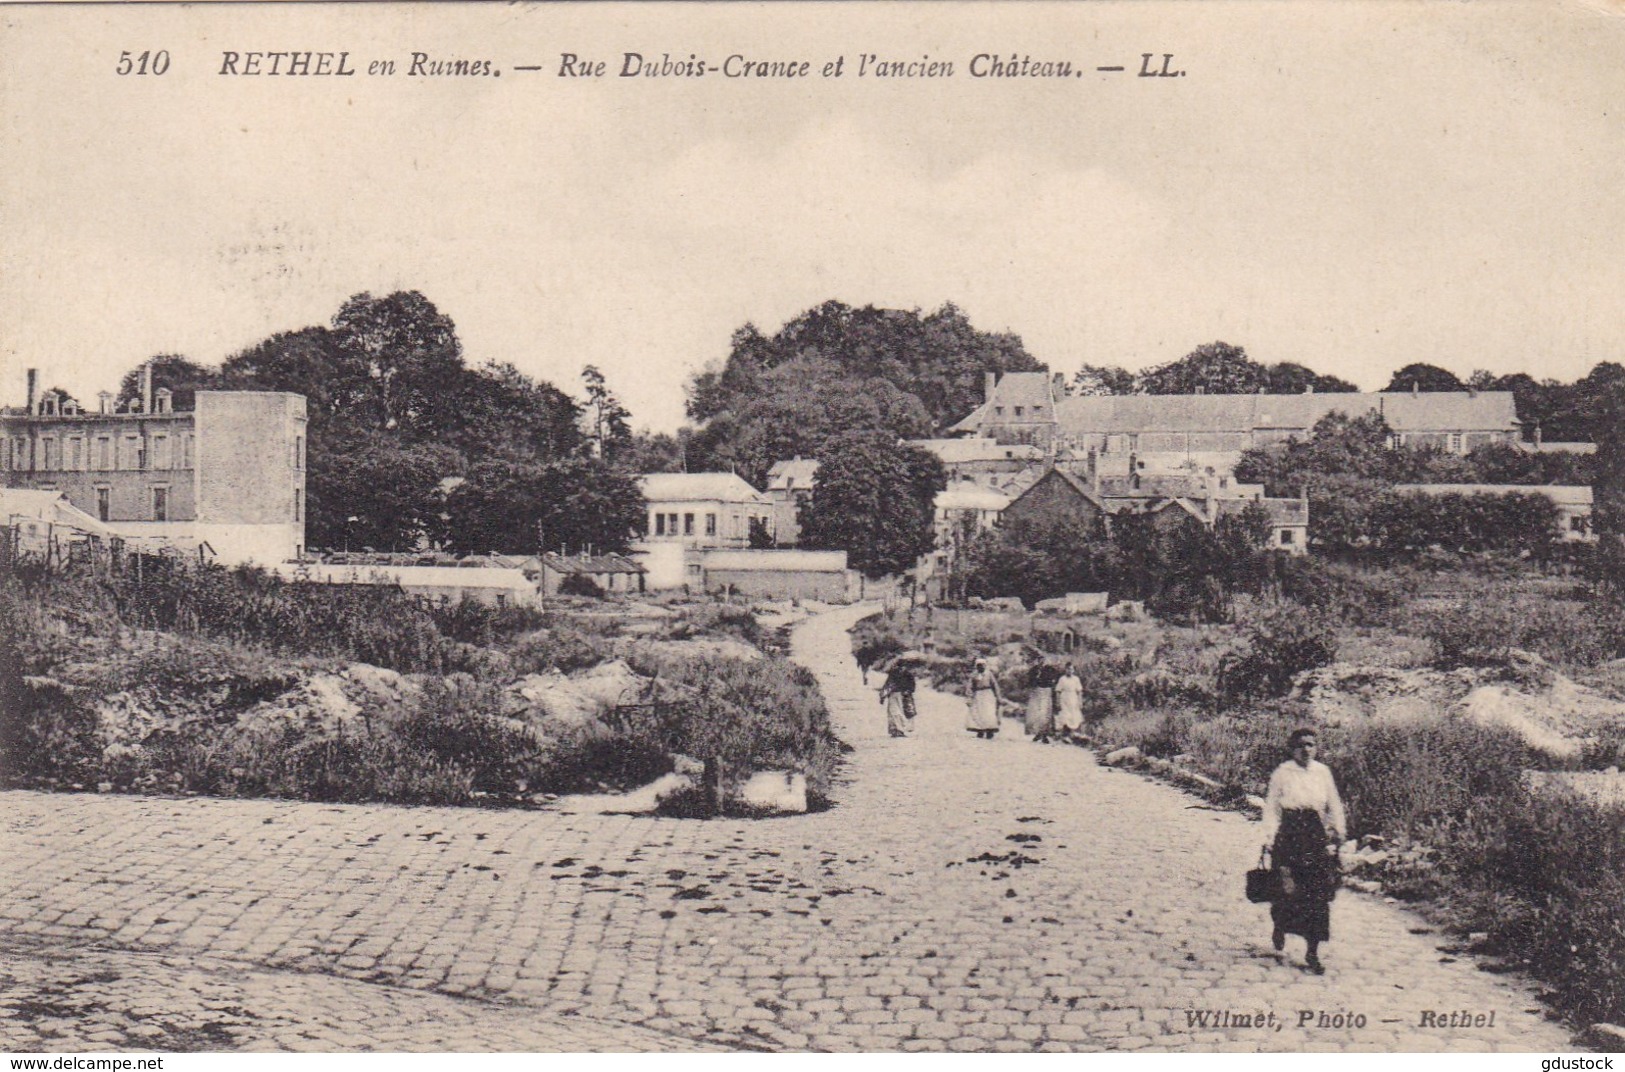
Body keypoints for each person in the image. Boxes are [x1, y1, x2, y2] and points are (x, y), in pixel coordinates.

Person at [1260, 727, 1347, 975]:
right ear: (1292, 748)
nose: (1306, 749)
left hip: (1314, 834)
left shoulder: (1323, 772)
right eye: (1301, 745)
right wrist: (1269, 837)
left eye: (1311, 745)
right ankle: (1280, 925)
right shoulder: (1283, 773)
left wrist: (1338, 832)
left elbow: (1333, 804)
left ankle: (1313, 951)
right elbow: (1271, 807)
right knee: (1286, 888)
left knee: (1318, 892)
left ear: (1316, 748)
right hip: (1289, 833)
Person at [879, 660, 917, 738]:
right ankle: (895, 730)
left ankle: (900, 730)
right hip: (893, 695)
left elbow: (912, 685)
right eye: (901, 667)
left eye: (904, 667)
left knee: (902, 713)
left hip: (904, 696)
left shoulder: (908, 675)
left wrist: (908, 691)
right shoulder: (893, 674)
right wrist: (883, 696)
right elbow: (888, 684)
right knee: (893, 712)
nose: (902, 668)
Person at [966, 658, 1002, 739]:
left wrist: (998, 696)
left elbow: (995, 685)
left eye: (982, 665)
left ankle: (990, 730)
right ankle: (980, 730)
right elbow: (970, 686)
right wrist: (969, 696)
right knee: (978, 712)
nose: (980, 667)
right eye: (978, 665)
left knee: (989, 712)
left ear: (985, 666)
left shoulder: (989, 674)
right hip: (978, 695)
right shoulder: (974, 675)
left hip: (988, 694)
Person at [1025, 661, 1059, 743]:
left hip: (1046, 691)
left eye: (1043, 659)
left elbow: (1054, 680)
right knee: (1036, 714)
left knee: (1045, 713)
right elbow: (1029, 681)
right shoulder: (1034, 669)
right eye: (1039, 659)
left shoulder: (1050, 669)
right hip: (1036, 692)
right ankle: (1038, 733)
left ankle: (1044, 735)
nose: (1041, 662)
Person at [1054, 663, 1084, 743]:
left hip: (1074, 698)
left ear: (1073, 670)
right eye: (1068, 669)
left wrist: (1080, 701)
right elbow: (1058, 691)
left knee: (1074, 716)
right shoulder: (1062, 679)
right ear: (1065, 670)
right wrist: (1058, 702)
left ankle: (1073, 735)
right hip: (1064, 699)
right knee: (1065, 716)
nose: (1069, 671)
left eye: (1071, 669)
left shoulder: (1076, 679)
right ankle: (1065, 735)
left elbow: (1079, 691)